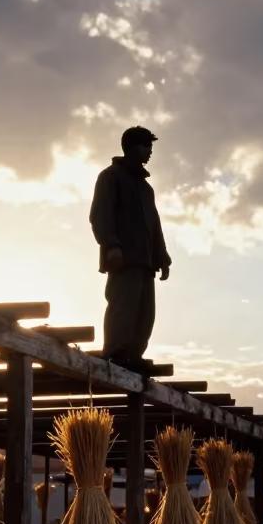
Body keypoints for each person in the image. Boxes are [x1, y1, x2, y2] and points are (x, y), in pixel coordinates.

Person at [89, 126, 171, 371]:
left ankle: (133, 357)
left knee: (145, 314)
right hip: (124, 259)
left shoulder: (146, 189)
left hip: (147, 262)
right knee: (123, 307)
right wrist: (111, 245)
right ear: (132, 147)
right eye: (146, 146)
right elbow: (100, 214)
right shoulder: (111, 176)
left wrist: (163, 256)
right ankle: (115, 353)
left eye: (150, 147)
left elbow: (155, 225)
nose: (149, 152)